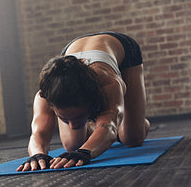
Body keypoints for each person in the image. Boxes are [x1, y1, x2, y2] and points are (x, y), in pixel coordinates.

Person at [17, 31, 150, 172]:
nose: (73, 125)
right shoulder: (45, 94)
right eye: (64, 118)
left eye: (78, 117)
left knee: (132, 138)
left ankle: (139, 122)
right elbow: (38, 133)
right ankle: (98, 128)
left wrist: (84, 153)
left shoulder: (109, 82)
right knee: (72, 145)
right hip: (72, 50)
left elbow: (109, 128)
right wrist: (38, 154)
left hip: (122, 48)